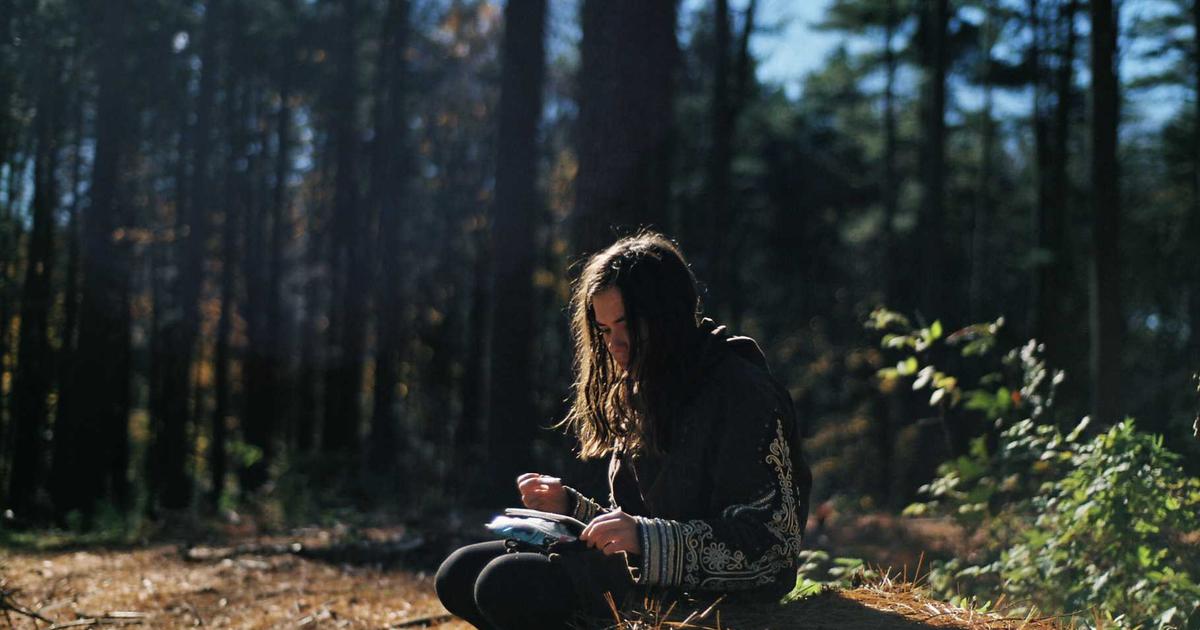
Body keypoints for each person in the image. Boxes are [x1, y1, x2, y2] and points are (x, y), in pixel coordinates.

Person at [435, 231, 812, 629]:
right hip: (646, 585)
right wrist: (572, 509)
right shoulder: (645, 386)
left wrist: (646, 540)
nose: (615, 345)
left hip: (707, 602)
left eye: (625, 324)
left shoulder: (742, 392)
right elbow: (635, 526)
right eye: (604, 330)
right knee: (458, 574)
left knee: (504, 584)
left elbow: (773, 551)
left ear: (667, 315)